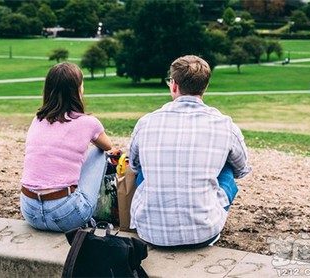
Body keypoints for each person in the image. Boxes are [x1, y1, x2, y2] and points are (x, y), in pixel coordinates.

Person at [128, 55, 252, 247]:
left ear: (174, 85)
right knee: (228, 165)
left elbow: (134, 166)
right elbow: (242, 169)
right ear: (205, 86)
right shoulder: (225, 125)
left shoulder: (146, 122)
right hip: (204, 234)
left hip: (149, 232)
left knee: (146, 167)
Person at [20, 62, 112, 232]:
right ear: (78, 89)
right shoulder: (88, 122)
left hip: (30, 211)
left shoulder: (38, 119)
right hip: (66, 215)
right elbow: (107, 146)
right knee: (100, 152)